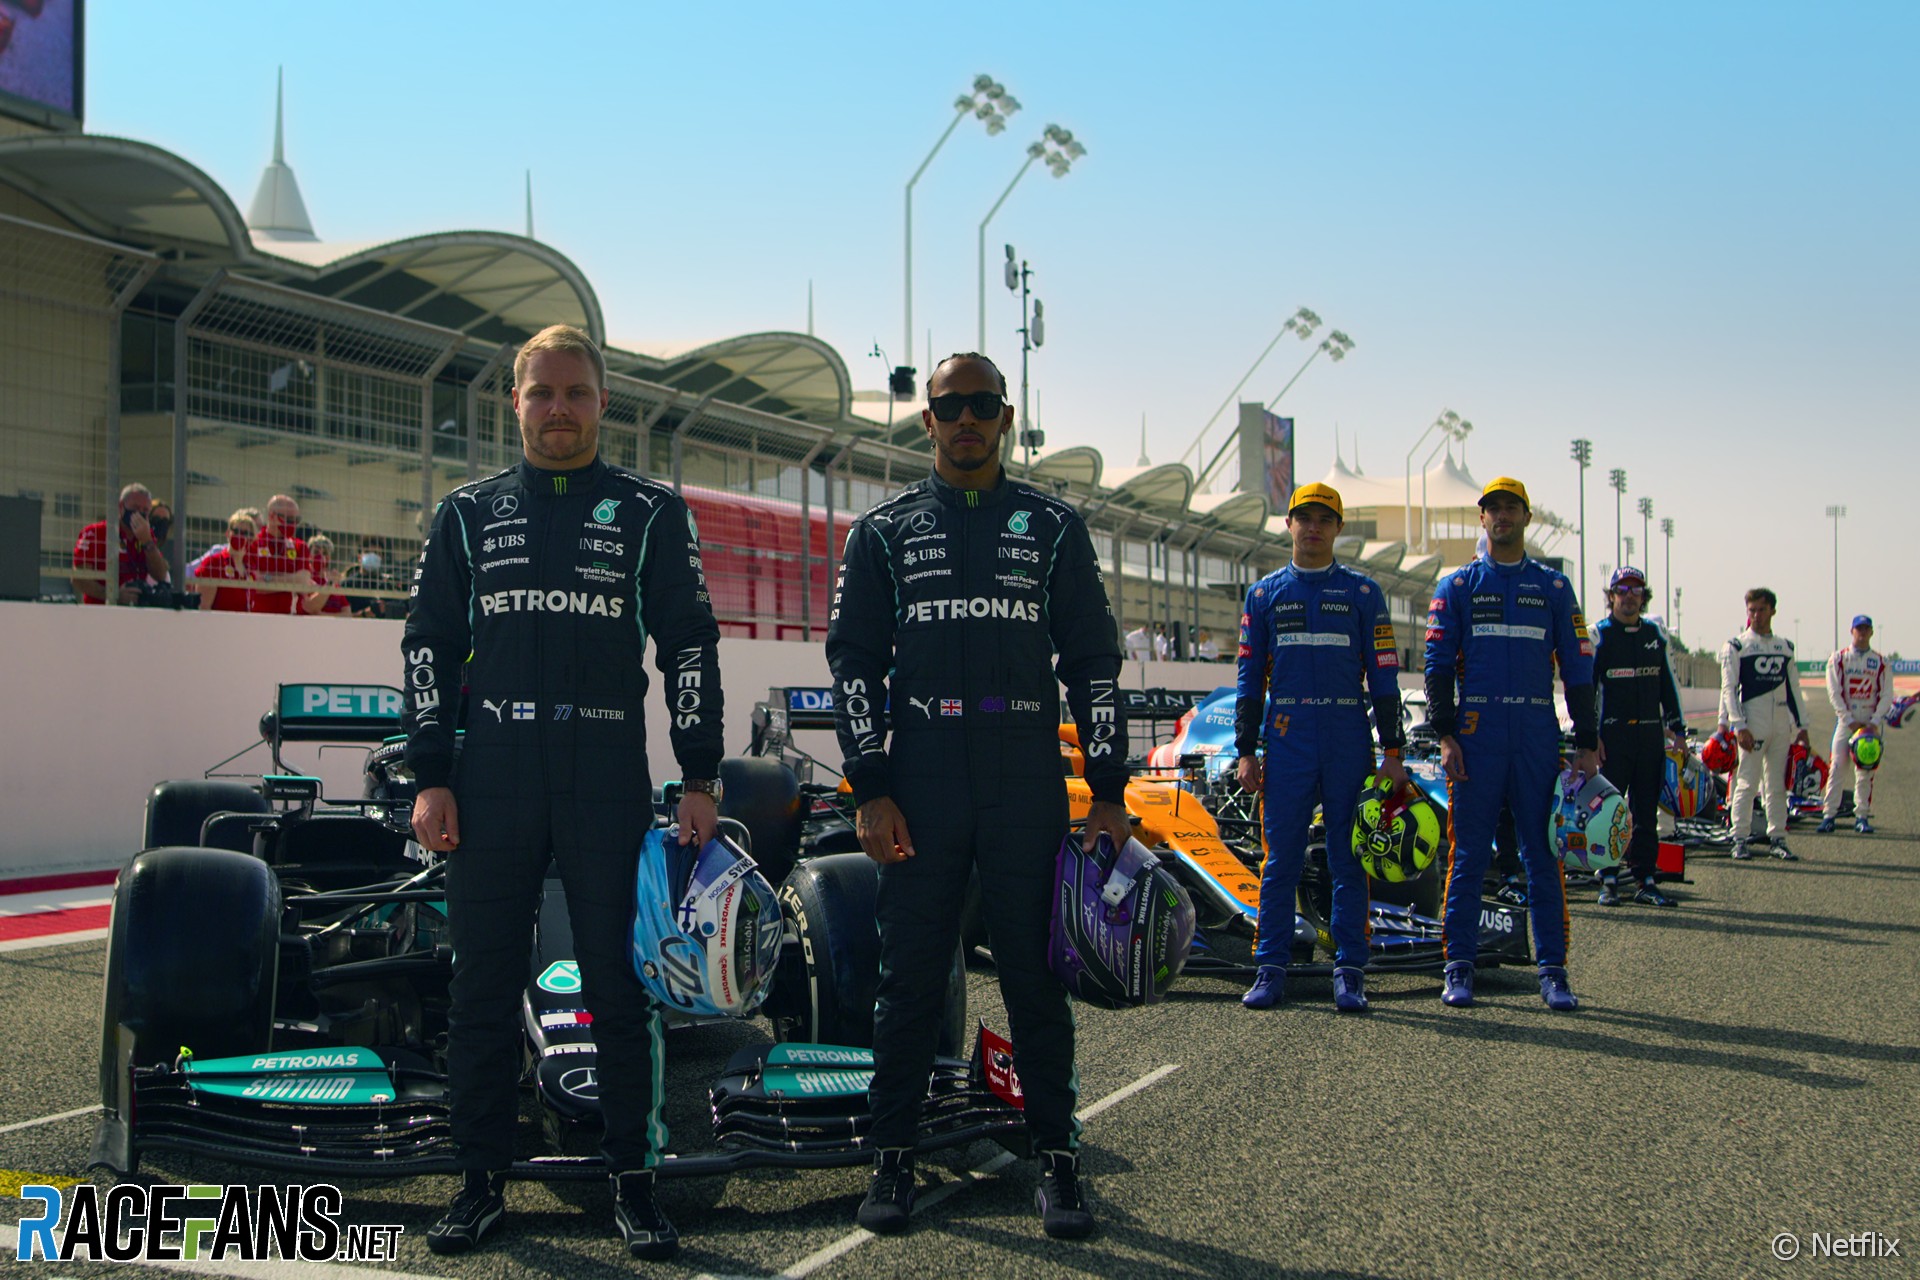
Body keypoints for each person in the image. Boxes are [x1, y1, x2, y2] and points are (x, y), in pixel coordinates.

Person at [403, 324, 723, 1260]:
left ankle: (635, 1181)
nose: (558, 410)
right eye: (541, 392)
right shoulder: (467, 514)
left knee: (621, 988)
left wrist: (699, 773)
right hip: (492, 780)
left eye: (576, 393)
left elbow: (690, 644)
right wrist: (431, 774)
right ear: (515, 402)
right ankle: (478, 1181)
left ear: (603, 404)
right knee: (480, 989)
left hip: (606, 777)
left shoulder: (651, 512)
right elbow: (428, 645)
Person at [827, 351, 1128, 1241]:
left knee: (1036, 979)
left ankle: (1058, 1158)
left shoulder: (1053, 527)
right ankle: (892, 1152)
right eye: (950, 405)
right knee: (910, 977)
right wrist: (871, 785)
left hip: (1023, 774)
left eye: (982, 404)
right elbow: (853, 665)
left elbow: (1093, 664)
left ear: (1005, 416)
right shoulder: (881, 533)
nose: (966, 419)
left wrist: (1109, 790)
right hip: (921, 777)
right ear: (927, 419)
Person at [1424, 477, 1598, 1012]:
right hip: (1476, 736)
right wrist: (1446, 734)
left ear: (1526, 517)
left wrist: (1587, 741)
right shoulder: (1456, 586)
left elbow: (1579, 668)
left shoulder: (1554, 587)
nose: (1502, 516)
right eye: (1493, 508)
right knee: (1469, 855)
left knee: (1543, 854)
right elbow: (1436, 668)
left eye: (1511, 508)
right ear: (1482, 518)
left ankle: (1553, 971)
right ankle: (1458, 966)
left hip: (1536, 733)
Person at [1234, 481, 1407, 1012]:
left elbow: (1384, 676)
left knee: (1348, 859)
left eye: (1324, 519)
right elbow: (1248, 679)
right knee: (1280, 859)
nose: (1313, 527)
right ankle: (1270, 968)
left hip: (1347, 736)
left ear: (1338, 528)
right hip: (1288, 739)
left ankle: (1350, 970)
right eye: (1304, 517)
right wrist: (1246, 749)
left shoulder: (1363, 593)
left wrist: (1393, 752)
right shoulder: (1263, 595)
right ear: (1288, 524)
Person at [1591, 566, 1685, 907]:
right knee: (1610, 811)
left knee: (1645, 812)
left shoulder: (1656, 635)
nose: (1628, 596)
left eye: (1636, 590)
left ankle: (1645, 878)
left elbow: (1668, 687)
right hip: (1613, 736)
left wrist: (1679, 731)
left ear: (1644, 596)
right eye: (1622, 590)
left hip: (1649, 737)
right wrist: (1590, 737)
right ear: (1611, 595)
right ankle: (1608, 878)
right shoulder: (1598, 635)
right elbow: (1586, 690)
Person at [1717, 587, 1807, 860]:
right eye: (1752, 610)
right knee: (1746, 782)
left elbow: (1794, 689)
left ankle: (1778, 838)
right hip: (1752, 722)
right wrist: (1738, 725)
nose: (1756, 615)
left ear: (1772, 611)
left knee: (1777, 785)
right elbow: (1728, 690)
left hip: (1780, 723)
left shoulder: (1785, 647)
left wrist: (1802, 727)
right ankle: (1739, 838)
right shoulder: (1737, 646)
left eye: (1761, 610)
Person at [1820, 615, 1892, 834]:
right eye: (1858, 629)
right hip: (1846, 723)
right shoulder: (1839, 658)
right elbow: (1834, 693)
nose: (1862, 633)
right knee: (1837, 768)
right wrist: (1849, 720)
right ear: (1851, 631)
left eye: (1866, 629)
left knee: (1865, 772)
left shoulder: (1881, 662)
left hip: (1870, 723)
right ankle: (1829, 816)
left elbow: (1886, 695)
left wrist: (1874, 721)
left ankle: (1861, 817)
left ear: (1871, 632)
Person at [70, 482, 170, 604]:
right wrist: (114, 595)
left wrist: (148, 542)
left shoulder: (145, 535)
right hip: (101, 609)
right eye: (135, 508)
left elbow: (160, 575)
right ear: (121, 506)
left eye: (145, 510)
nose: (139, 513)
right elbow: (79, 578)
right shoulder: (97, 532)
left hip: (136, 609)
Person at [247, 495, 312, 614]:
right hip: (258, 616)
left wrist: (268, 578)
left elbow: (303, 582)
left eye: (296, 520)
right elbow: (256, 584)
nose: (293, 524)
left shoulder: (300, 547)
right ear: (272, 516)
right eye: (289, 520)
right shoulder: (253, 544)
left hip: (290, 617)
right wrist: (292, 579)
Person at [191, 509, 258, 612]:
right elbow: (203, 608)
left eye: (246, 533)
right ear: (228, 533)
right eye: (236, 531)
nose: (240, 536)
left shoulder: (250, 569)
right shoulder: (214, 563)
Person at [301, 534, 351, 616]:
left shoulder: (333, 582)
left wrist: (323, 615)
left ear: (329, 558)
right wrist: (329, 584)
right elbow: (310, 607)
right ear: (309, 555)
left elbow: (347, 613)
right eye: (316, 552)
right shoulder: (305, 578)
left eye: (325, 553)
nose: (321, 556)